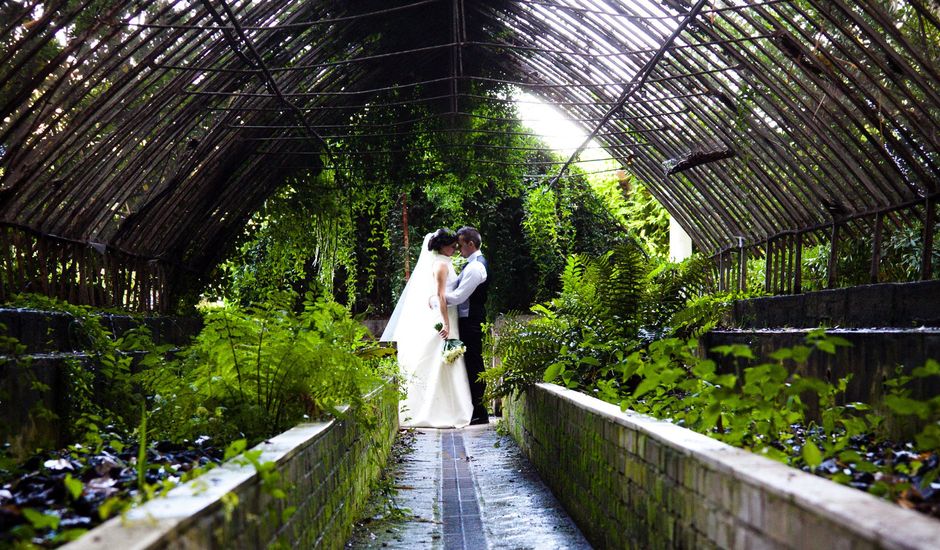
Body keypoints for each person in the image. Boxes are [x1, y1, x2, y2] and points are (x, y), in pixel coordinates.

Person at [380, 229, 473, 428]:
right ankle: (437, 409)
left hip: (450, 314)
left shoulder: (445, 262)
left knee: (447, 359)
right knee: (439, 358)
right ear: (442, 246)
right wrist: (446, 323)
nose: (455, 250)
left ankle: (451, 406)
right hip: (443, 315)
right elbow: (440, 295)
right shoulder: (440, 264)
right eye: (452, 246)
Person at [445, 226, 489, 425]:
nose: (458, 249)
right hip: (466, 320)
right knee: (468, 363)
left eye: (461, 245)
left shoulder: (476, 268)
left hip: (472, 321)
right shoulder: (470, 264)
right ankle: (474, 408)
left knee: (473, 364)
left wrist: (437, 298)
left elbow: (458, 296)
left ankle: (480, 411)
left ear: (471, 244)